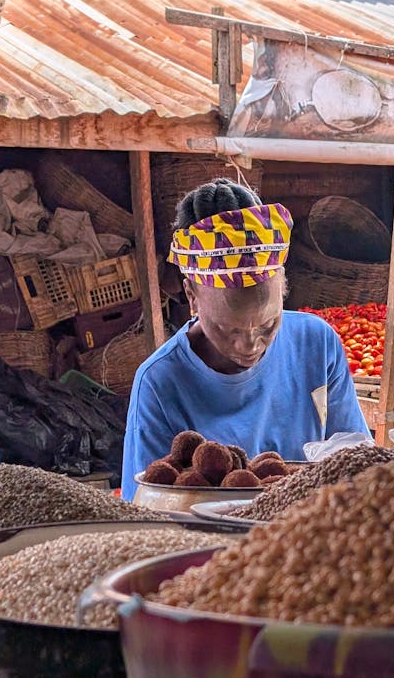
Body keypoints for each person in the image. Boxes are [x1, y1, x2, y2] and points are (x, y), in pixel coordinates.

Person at [121, 178, 369, 499]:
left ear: (283, 286)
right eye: (228, 330)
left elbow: (358, 464)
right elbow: (148, 510)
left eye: (268, 325)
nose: (249, 345)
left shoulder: (317, 345)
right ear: (191, 296)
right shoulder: (159, 383)